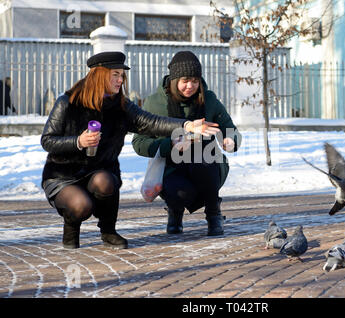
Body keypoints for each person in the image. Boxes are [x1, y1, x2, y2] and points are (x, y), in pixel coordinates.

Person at [41, 51, 220, 249]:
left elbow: (151, 122)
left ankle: (108, 231)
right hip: (63, 174)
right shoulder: (68, 102)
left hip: (99, 171)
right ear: (100, 75)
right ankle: (71, 228)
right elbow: (48, 140)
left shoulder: (122, 106)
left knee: (106, 180)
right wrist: (79, 142)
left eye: (122, 75)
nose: (120, 80)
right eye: (115, 75)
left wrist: (187, 126)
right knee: (81, 205)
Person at [132, 51, 241, 236]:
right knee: (180, 193)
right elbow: (139, 143)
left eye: (195, 81)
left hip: (207, 166)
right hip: (172, 168)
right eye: (185, 81)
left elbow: (229, 129)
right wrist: (170, 145)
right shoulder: (155, 103)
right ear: (174, 80)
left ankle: (214, 214)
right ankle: (175, 211)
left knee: (204, 162)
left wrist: (230, 140)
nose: (190, 86)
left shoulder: (209, 100)